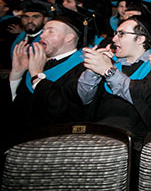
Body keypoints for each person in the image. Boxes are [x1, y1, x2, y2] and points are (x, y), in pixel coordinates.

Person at [4, 8, 89, 149]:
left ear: (69, 38)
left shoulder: (84, 69)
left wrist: (37, 74)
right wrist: (17, 75)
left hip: (54, 148)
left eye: (50, 31)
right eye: (43, 31)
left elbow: (63, 113)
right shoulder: (39, 61)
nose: (42, 35)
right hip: (20, 143)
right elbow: (17, 110)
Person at [77, 15, 151, 143]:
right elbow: (84, 98)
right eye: (115, 33)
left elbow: (142, 99)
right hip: (98, 132)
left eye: (121, 34)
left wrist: (108, 71)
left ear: (139, 39)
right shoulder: (113, 63)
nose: (114, 39)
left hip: (136, 140)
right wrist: (92, 69)